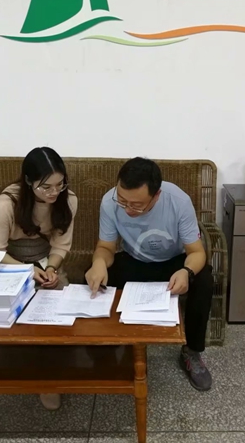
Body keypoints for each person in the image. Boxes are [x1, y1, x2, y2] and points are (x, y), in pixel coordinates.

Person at [85, 157, 214, 391]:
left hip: (173, 262)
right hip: (134, 259)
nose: (127, 209)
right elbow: (105, 247)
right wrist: (99, 263)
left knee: (204, 279)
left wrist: (186, 271)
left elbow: (196, 252)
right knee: (96, 277)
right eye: (122, 200)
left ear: (156, 196)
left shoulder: (178, 201)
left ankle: (191, 352)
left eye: (136, 205)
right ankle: (107, 349)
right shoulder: (109, 202)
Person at [0, 146, 78, 411]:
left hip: (45, 262)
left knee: (59, 313)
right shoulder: (7, 204)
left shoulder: (68, 200)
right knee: (17, 316)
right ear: (28, 182)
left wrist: (52, 270)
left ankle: (51, 378)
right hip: (9, 266)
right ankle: (27, 372)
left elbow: (61, 245)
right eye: (45, 187)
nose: (53, 193)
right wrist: (27, 271)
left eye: (59, 185)